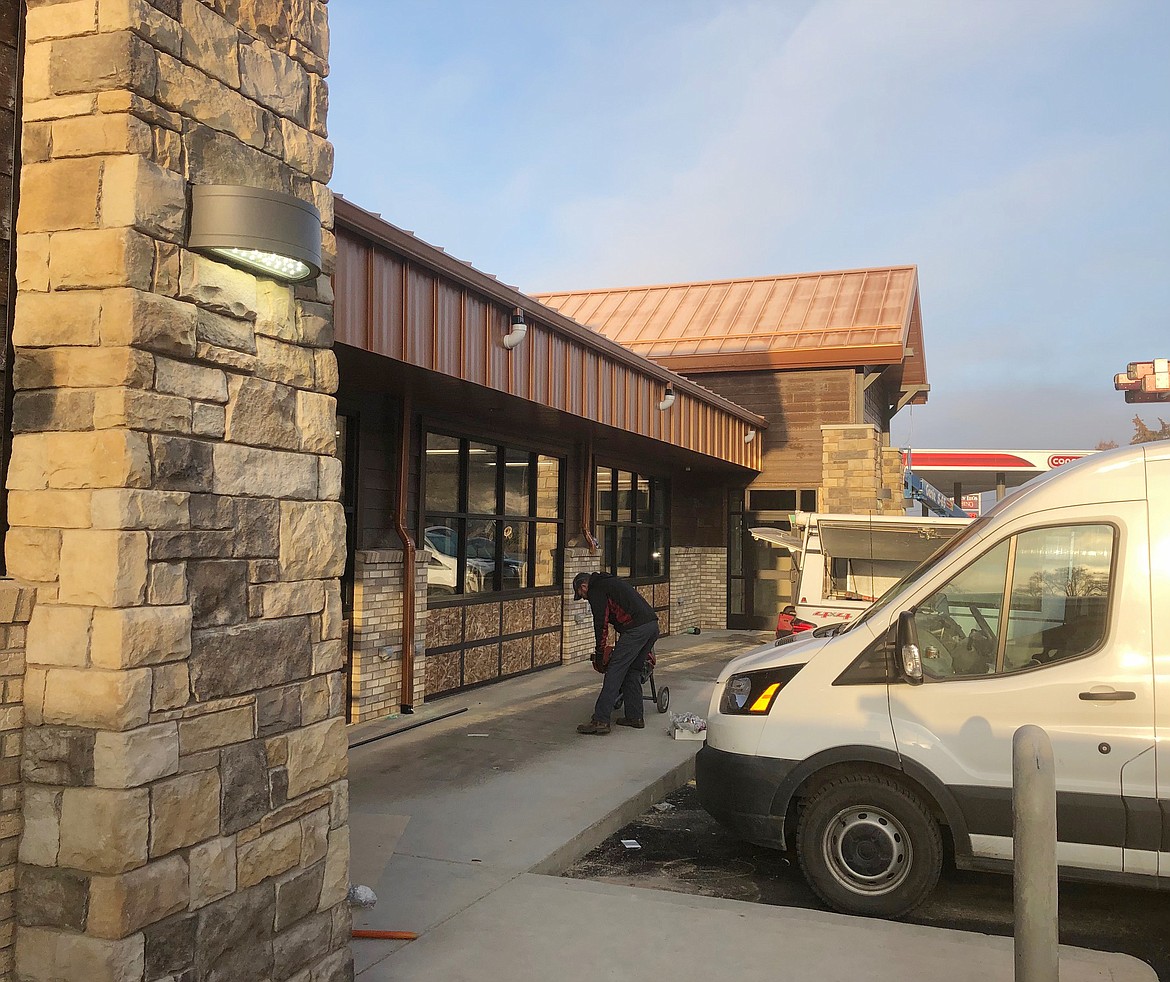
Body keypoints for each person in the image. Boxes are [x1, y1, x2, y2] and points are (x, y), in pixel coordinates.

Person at [572, 570, 659, 735]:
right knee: (632, 670)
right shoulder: (610, 583)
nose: (584, 598)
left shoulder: (596, 590)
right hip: (651, 626)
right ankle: (635, 717)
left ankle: (601, 720)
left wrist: (599, 652)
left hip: (636, 629)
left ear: (584, 585)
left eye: (581, 594)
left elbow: (601, 623)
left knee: (614, 671)